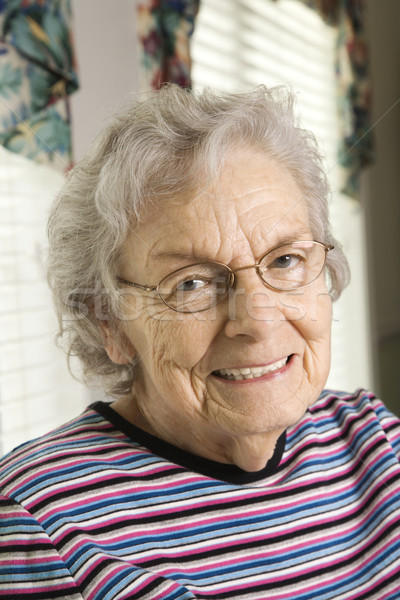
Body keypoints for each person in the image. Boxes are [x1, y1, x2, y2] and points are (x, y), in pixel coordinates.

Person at [1, 84, 399, 600]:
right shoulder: (35, 525)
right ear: (110, 324)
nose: (256, 321)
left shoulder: (373, 442)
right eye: (191, 283)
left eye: (284, 260)